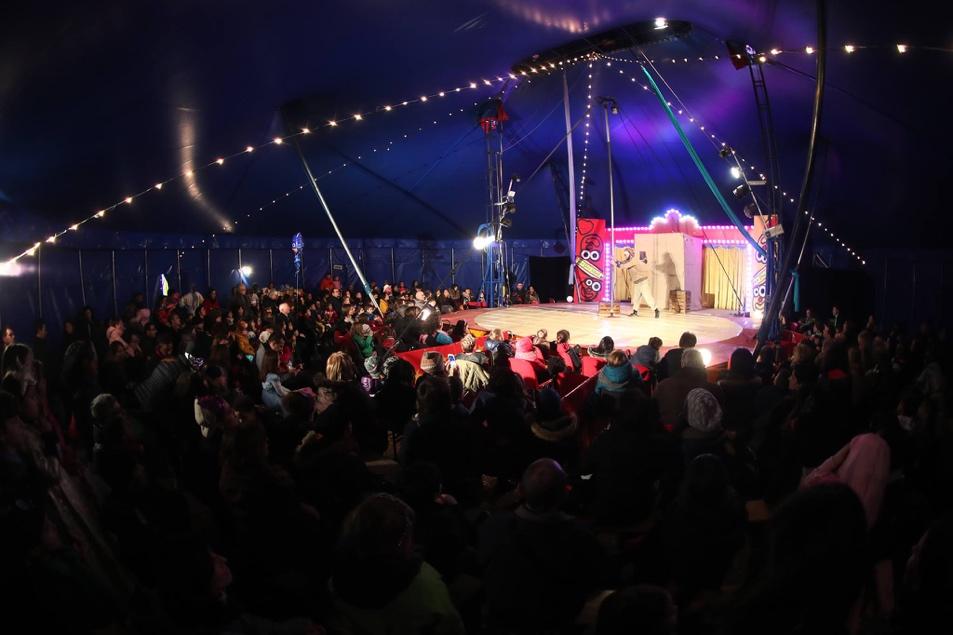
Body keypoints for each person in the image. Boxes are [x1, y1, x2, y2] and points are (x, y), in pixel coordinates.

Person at [479, 459, 607, 632]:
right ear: (565, 493)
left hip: (502, 621)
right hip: (554, 622)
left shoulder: (493, 526)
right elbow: (596, 579)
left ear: (521, 490)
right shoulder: (581, 537)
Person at [329, 493, 465, 635]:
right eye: (408, 532)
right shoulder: (426, 586)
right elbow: (452, 626)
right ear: (401, 541)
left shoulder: (337, 578)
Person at [616, 247, 659, 318]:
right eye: (624, 255)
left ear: (630, 253)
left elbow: (624, 265)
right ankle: (635, 312)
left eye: (626, 254)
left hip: (643, 281)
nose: (625, 256)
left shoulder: (634, 260)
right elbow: (623, 262)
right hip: (637, 283)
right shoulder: (628, 261)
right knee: (636, 298)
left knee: (648, 297)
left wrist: (617, 264)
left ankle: (656, 310)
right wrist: (615, 261)